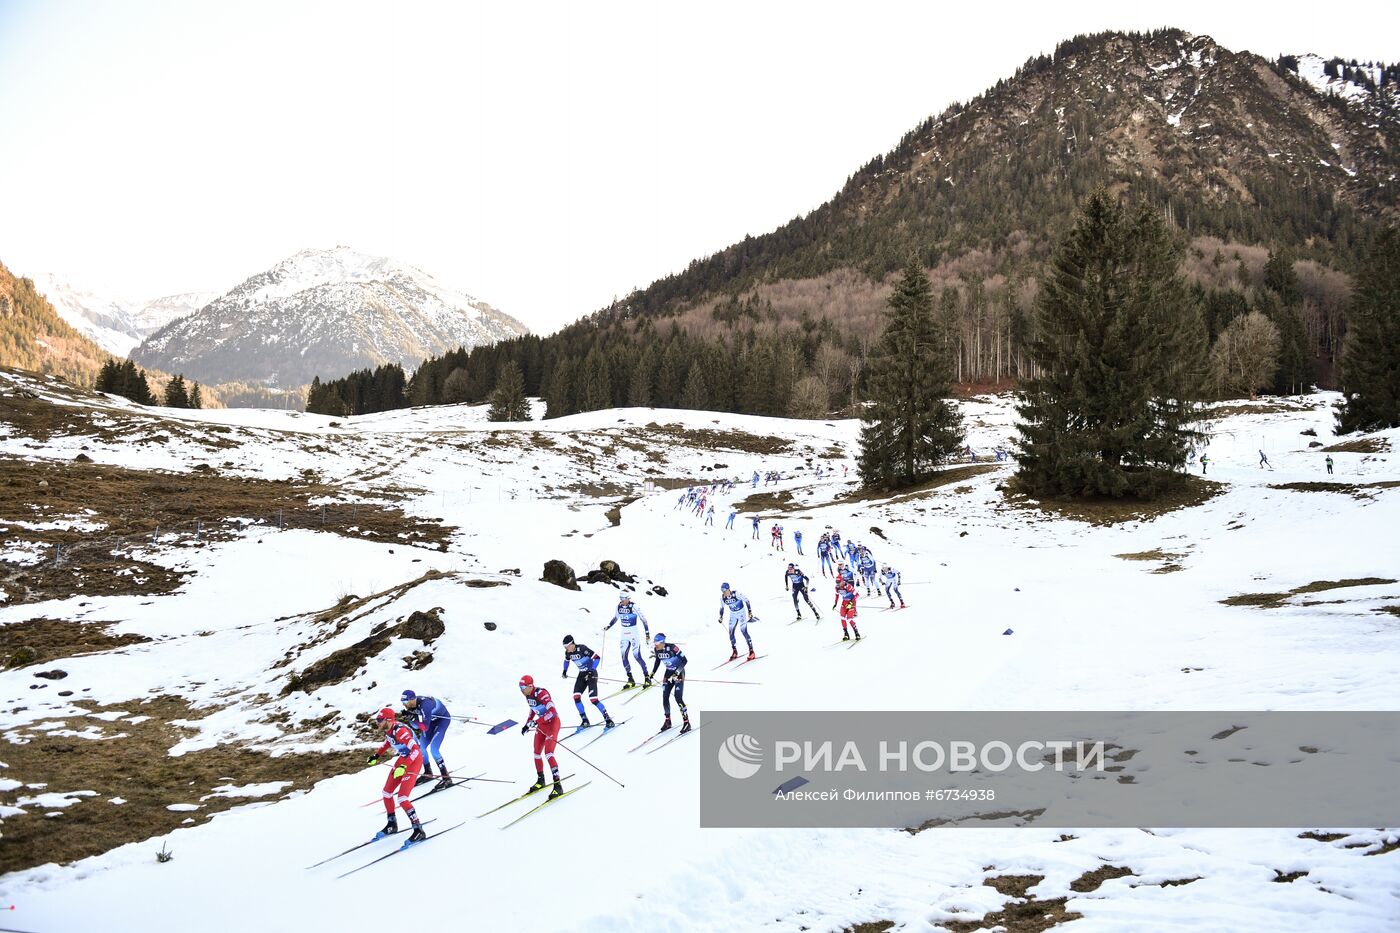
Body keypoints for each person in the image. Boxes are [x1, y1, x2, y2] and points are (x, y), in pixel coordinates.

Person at [367, 708, 427, 842]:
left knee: (402, 798)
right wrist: (376, 755)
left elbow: (416, 750)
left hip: (414, 760)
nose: (377, 723)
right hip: (404, 759)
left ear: (388, 720)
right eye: (377, 720)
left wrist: (404, 766)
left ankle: (418, 830)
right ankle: (392, 824)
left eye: (380, 720)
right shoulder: (389, 729)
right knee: (386, 792)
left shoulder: (400, 731)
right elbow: (388, 742)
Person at [518, 675, 565, 799]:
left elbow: (553, 712)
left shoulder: (541, 693)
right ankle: (541, 780)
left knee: (549, 753)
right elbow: (533, 709)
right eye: (519, 687)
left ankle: (558, 785)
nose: (521, 690)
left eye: (523, 687)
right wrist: (527, 723)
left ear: (530, 686)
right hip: (542, 725)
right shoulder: (528, 695)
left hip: (552, 724)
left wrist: (536, 722)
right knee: (536, 753)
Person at [400, 690, 452, 790]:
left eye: (405, 702)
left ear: (411, 700)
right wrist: (410, 717)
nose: (404, 705)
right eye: (403, 703)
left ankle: (446, 778)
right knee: (421, 748)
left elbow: (424, 727)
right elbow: (415, 727)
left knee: (434, 749)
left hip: (442, 721)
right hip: (430, 723)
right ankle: (428, 772)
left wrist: (413, 717)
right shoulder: (412, 705)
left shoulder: (425, 705)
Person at [561, 635, 614, 729]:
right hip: (582, 674)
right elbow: (566, 661)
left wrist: (591, 670)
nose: (566, 648)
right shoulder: (567, 653)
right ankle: (585, 720)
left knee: (593, 699)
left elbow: (597, 658)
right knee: (576, 697)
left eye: (567, 646)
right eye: (564, 647)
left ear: (572, 644)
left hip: (591, 673)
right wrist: (564, 671)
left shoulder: (582, 648)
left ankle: (608, 720)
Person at [604, 594, 653, 689]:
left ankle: (647, 678)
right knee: (623, 656)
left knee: (637, 656)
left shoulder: (634, 606)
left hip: (633, 633)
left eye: (623, 599)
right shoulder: (618, 606)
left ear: (627, 599)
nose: (621, 601)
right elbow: (615, 618)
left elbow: (644, 620)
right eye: (620, 599)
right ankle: (630, 679)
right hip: (624, 633)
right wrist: (608, 626)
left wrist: (647, 634)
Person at [648, 633, 690, 734]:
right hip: (668, 673)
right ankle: (668, 721)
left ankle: (687, 722)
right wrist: (653, 672)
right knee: (665, 696)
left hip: (679, 672)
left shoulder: (673, 648)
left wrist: (676, 673)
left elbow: (684, 660)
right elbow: (657, 661)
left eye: (657, 643)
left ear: (662, 642)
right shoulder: (656, 650)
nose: (655, 645)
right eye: (654, 642)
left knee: (678, 697)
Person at [718, 582, 757, 661]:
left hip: (741, 613)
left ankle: (751, 651)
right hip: (733, 615)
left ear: (729, 589)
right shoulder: (723, 598)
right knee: (731, 633)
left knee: (744, 631)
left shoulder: (736, 594)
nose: (724, 593)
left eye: (725, 591)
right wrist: (721, 617)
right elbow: (722, 608)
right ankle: (734, 651)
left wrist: (749, 611)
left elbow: (747, 600)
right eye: (722, 591)